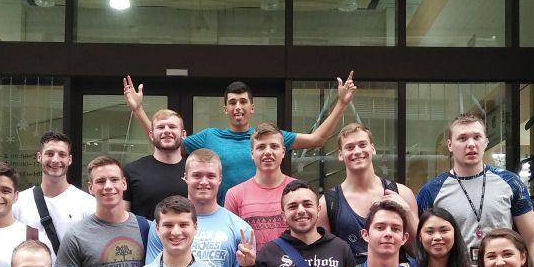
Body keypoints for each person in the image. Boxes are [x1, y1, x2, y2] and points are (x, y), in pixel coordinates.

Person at [124, 75, 358, 203]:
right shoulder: (209, 137)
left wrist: (342, 103)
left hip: (263, 214)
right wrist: (138, 110)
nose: (238, 107)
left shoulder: (267, 139)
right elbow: (166, 141)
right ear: (225, 109)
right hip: (220, 216)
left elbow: (318, 138)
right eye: (232, 103)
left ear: (252, 107)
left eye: (243, 102)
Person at [416, 113, 534, 267]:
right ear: (450, 145)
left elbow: (533, 239)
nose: (471, 144)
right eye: (462, 138)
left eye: (477, 137)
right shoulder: (431, 190)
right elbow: (419, 242)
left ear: (485, 142)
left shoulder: (510, 182)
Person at [144, 149, 252, 267]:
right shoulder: (163, 226)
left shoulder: (241, 229)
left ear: (220, 179)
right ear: (185, 177)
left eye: (211, 176)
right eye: (197, 175)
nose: (204, 182)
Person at [319, 123, 419, 263]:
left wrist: (406, 212)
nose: (357, 151)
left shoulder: (403, 193)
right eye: (350, 147)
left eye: (362, 144)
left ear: (373, 148)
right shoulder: (328, 203)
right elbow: (324, 257)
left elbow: (418, 251)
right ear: (340, 155)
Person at [13, 131, 95, 252]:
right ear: (39, 157)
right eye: (50, 154)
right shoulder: (18, 202)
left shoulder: (87, 203)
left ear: (70, 159)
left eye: (62, 154)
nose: (55, 160)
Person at [223, 122, 296, 249]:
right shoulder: (235, 195)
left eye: (274, 146)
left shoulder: (299, 190)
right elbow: (230, 243)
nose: (268, 152)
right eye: (261, 147)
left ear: (283, 152)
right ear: (252, 153)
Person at [123, 109, 188, 220]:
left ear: (183, 134)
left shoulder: (196, 172)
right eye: (161, 127)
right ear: (152, 135)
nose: (167, 131)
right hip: (143, 237)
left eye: (172, 127)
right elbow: (122, 219)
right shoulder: (131, 171)